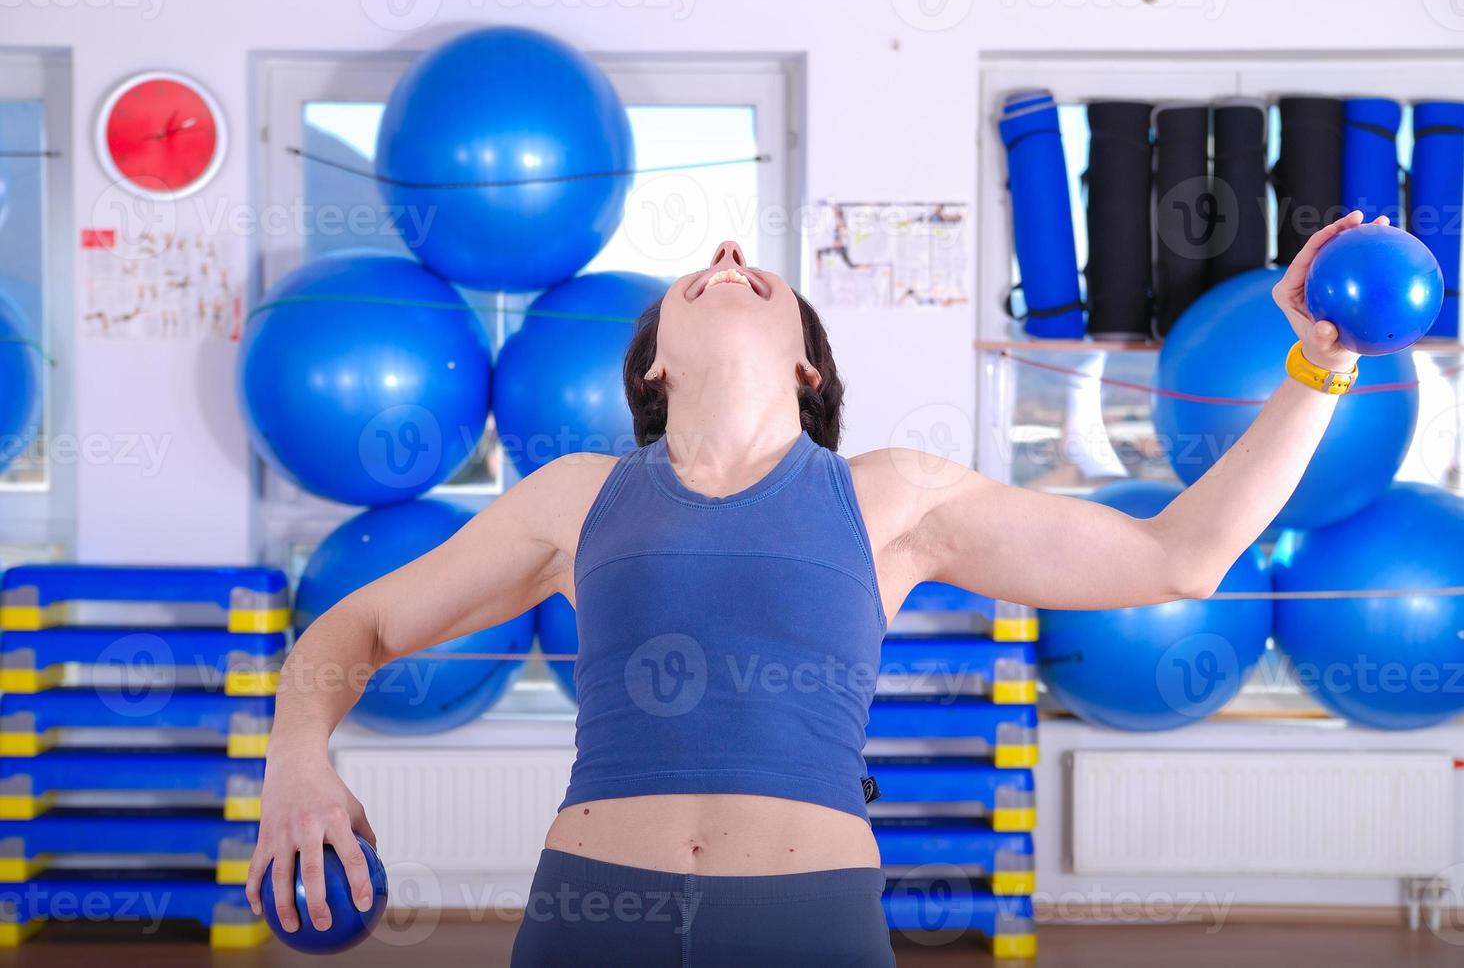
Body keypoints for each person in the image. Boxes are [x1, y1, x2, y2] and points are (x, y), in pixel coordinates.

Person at [247, 212, 1379, 966]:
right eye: (706, 269)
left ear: (806, 363)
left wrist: (1323, 364)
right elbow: (360, 621)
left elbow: (1178, 555)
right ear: (652, 365)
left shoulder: (894, 497)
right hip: (593, 914)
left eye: (760, 274)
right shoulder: (575, 496)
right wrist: (297, 759)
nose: (733, 247)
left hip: (808, 921)